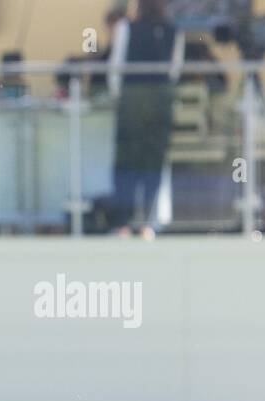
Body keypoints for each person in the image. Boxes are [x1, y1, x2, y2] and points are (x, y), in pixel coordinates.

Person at [107, 0, 185, 238]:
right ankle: (148, 225)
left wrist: (117, 98)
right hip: (161, 101)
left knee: (127, 162)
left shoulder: (125, 28)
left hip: (132, 102)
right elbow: (174, 71)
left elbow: (116, 68)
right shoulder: (175, 31)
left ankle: (123, 224)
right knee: (154, 162)